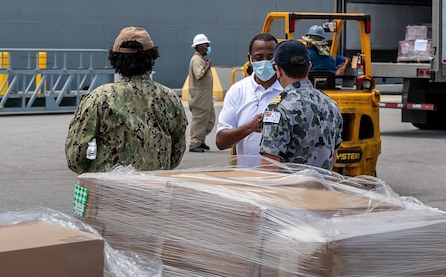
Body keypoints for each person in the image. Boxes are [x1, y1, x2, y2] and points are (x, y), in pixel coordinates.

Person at [64, 26, 187, 173]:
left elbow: (76, 158)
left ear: (115, 60)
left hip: (109, 190)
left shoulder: (99, 98)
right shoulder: (170, 98)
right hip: (155, 189)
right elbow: (176, 154)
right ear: (151, 58)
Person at [259, 39, 343, 170]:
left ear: (278, 69)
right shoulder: (331, 105)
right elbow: (332, 158)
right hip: (322, 188)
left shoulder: (278, 109)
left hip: (289, 189)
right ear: (309, 67)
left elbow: (269, 167)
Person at [214, 33, 283, 167]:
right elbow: (221, 142)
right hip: (247, 178)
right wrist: (250, 127)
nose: (264, 62)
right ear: (249, 58)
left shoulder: (288, 91)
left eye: (270, 57)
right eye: (258, 57)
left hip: (282, 180)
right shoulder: (238, 91)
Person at [187, 33, 215, 152]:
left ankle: (201, 140)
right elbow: (199, 75)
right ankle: (194, 143)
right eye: (206, 45)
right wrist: (208, 67)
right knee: (199, 120)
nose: (208, 48)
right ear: (199, 46)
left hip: (206, 97)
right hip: (199, 98)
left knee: (209, 119)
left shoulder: (201, 59)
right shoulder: (196, 60)